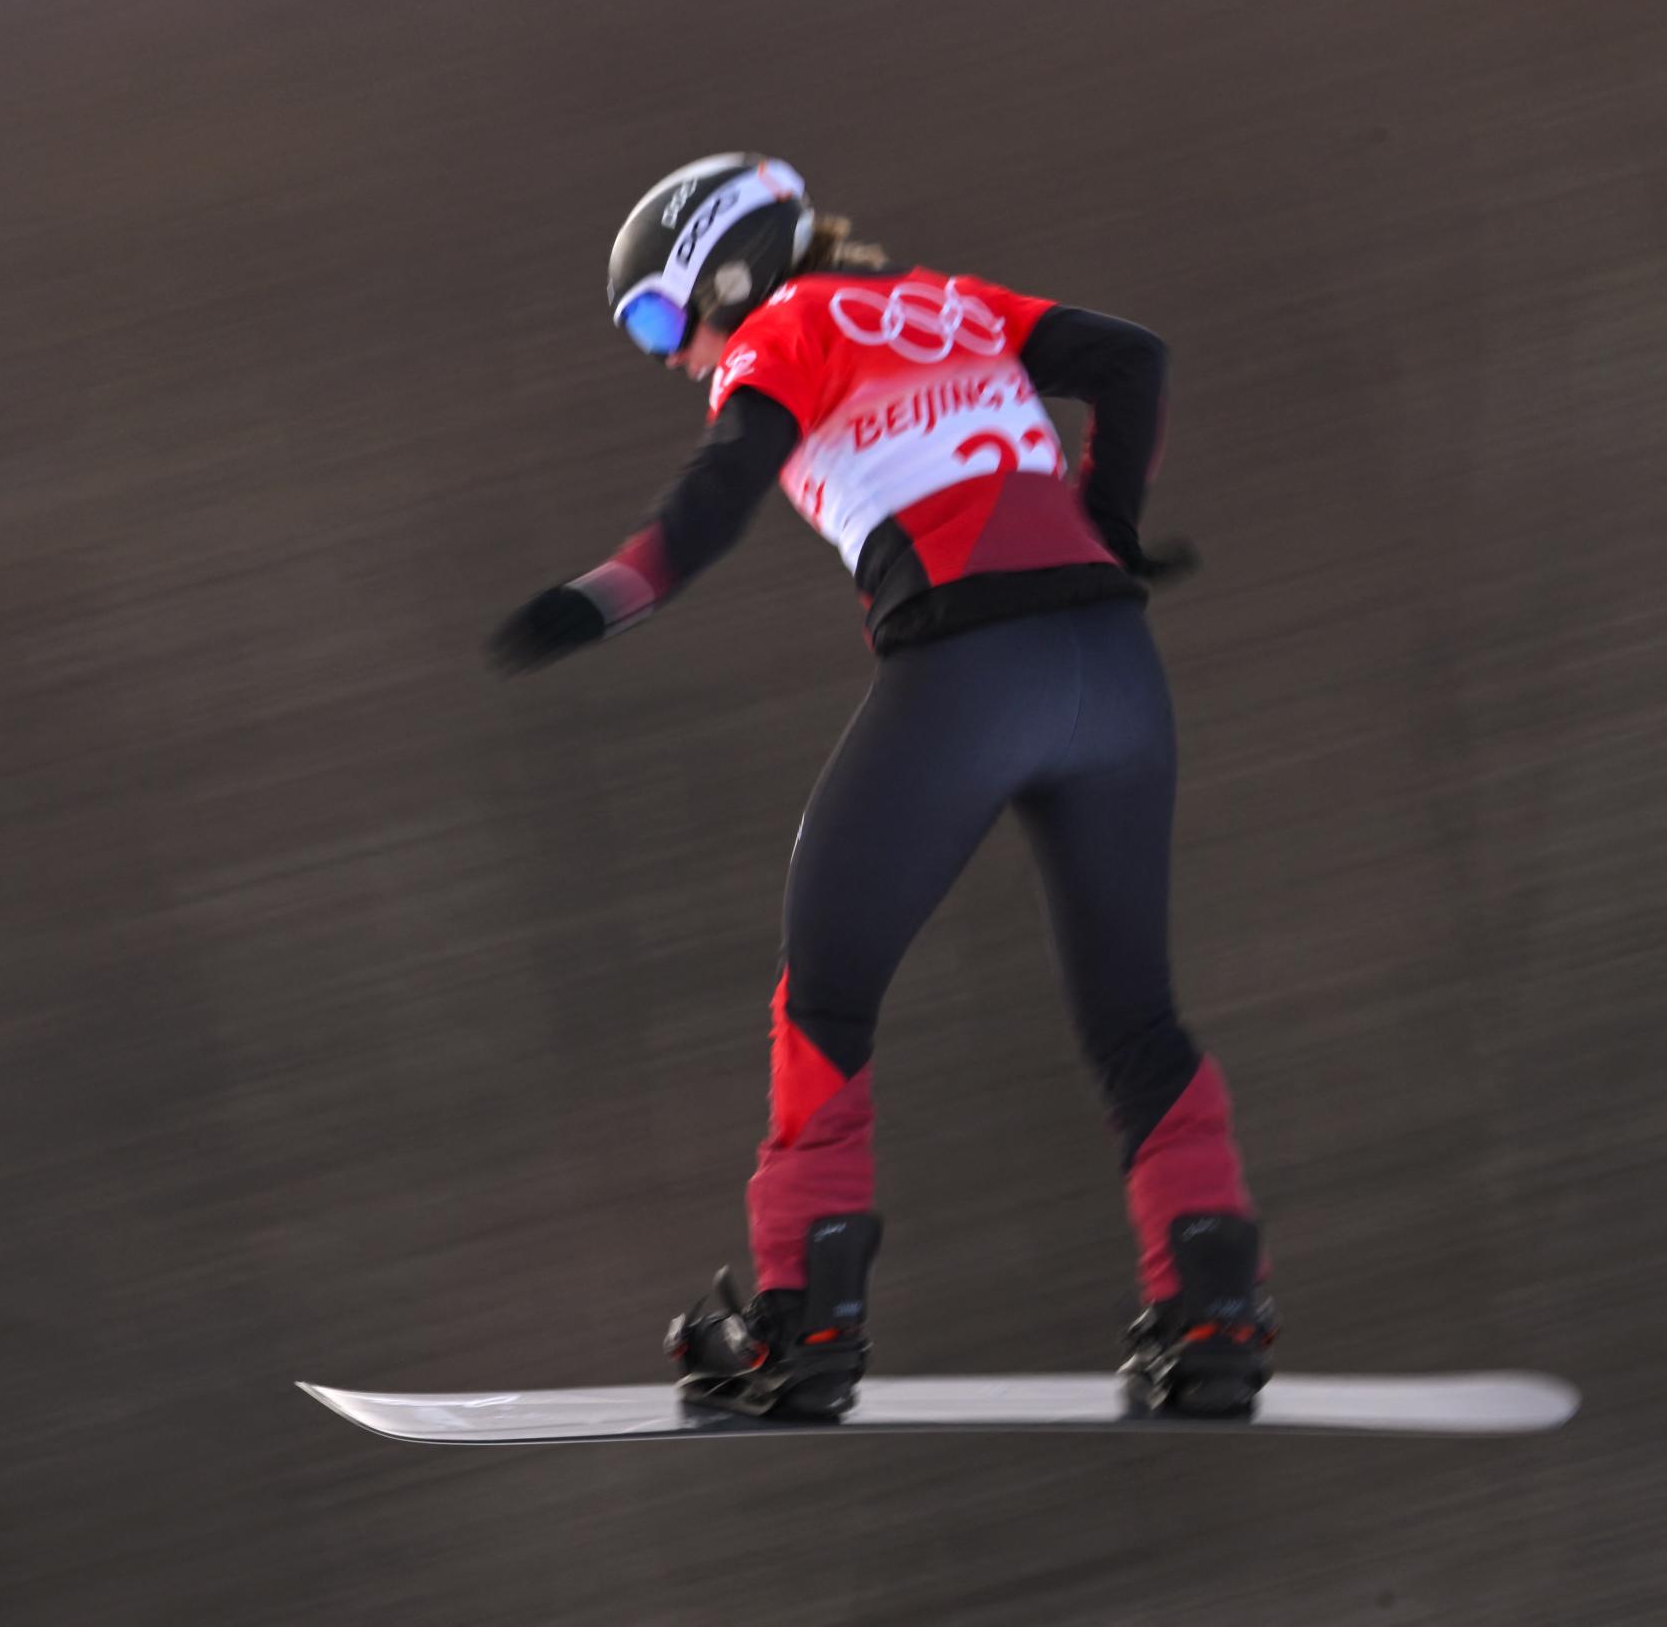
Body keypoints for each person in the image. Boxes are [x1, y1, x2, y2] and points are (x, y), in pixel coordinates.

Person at [488, 153, 1276, 1420]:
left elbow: (717, 496)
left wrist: (600, 599)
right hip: (1117, 673)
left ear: (729, 273)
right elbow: (1132, 359)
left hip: (973, 674)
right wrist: (1108, 526)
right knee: (1135, 1015)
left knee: (829, 989)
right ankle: (1213, 1299)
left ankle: (803, 1319)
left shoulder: (782, 327)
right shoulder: (949, 299)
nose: (668, 355)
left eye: (659, 319)